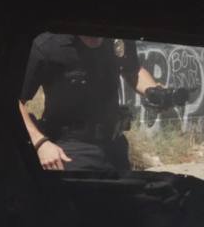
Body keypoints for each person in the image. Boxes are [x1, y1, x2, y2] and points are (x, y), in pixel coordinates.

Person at [19, 33, 167, 173]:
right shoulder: (47, 46)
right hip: (69, 149)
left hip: (115, 147)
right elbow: (15, 101)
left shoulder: (118, 40)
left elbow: (132, 70)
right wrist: (40, 143)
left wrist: (153, 91)